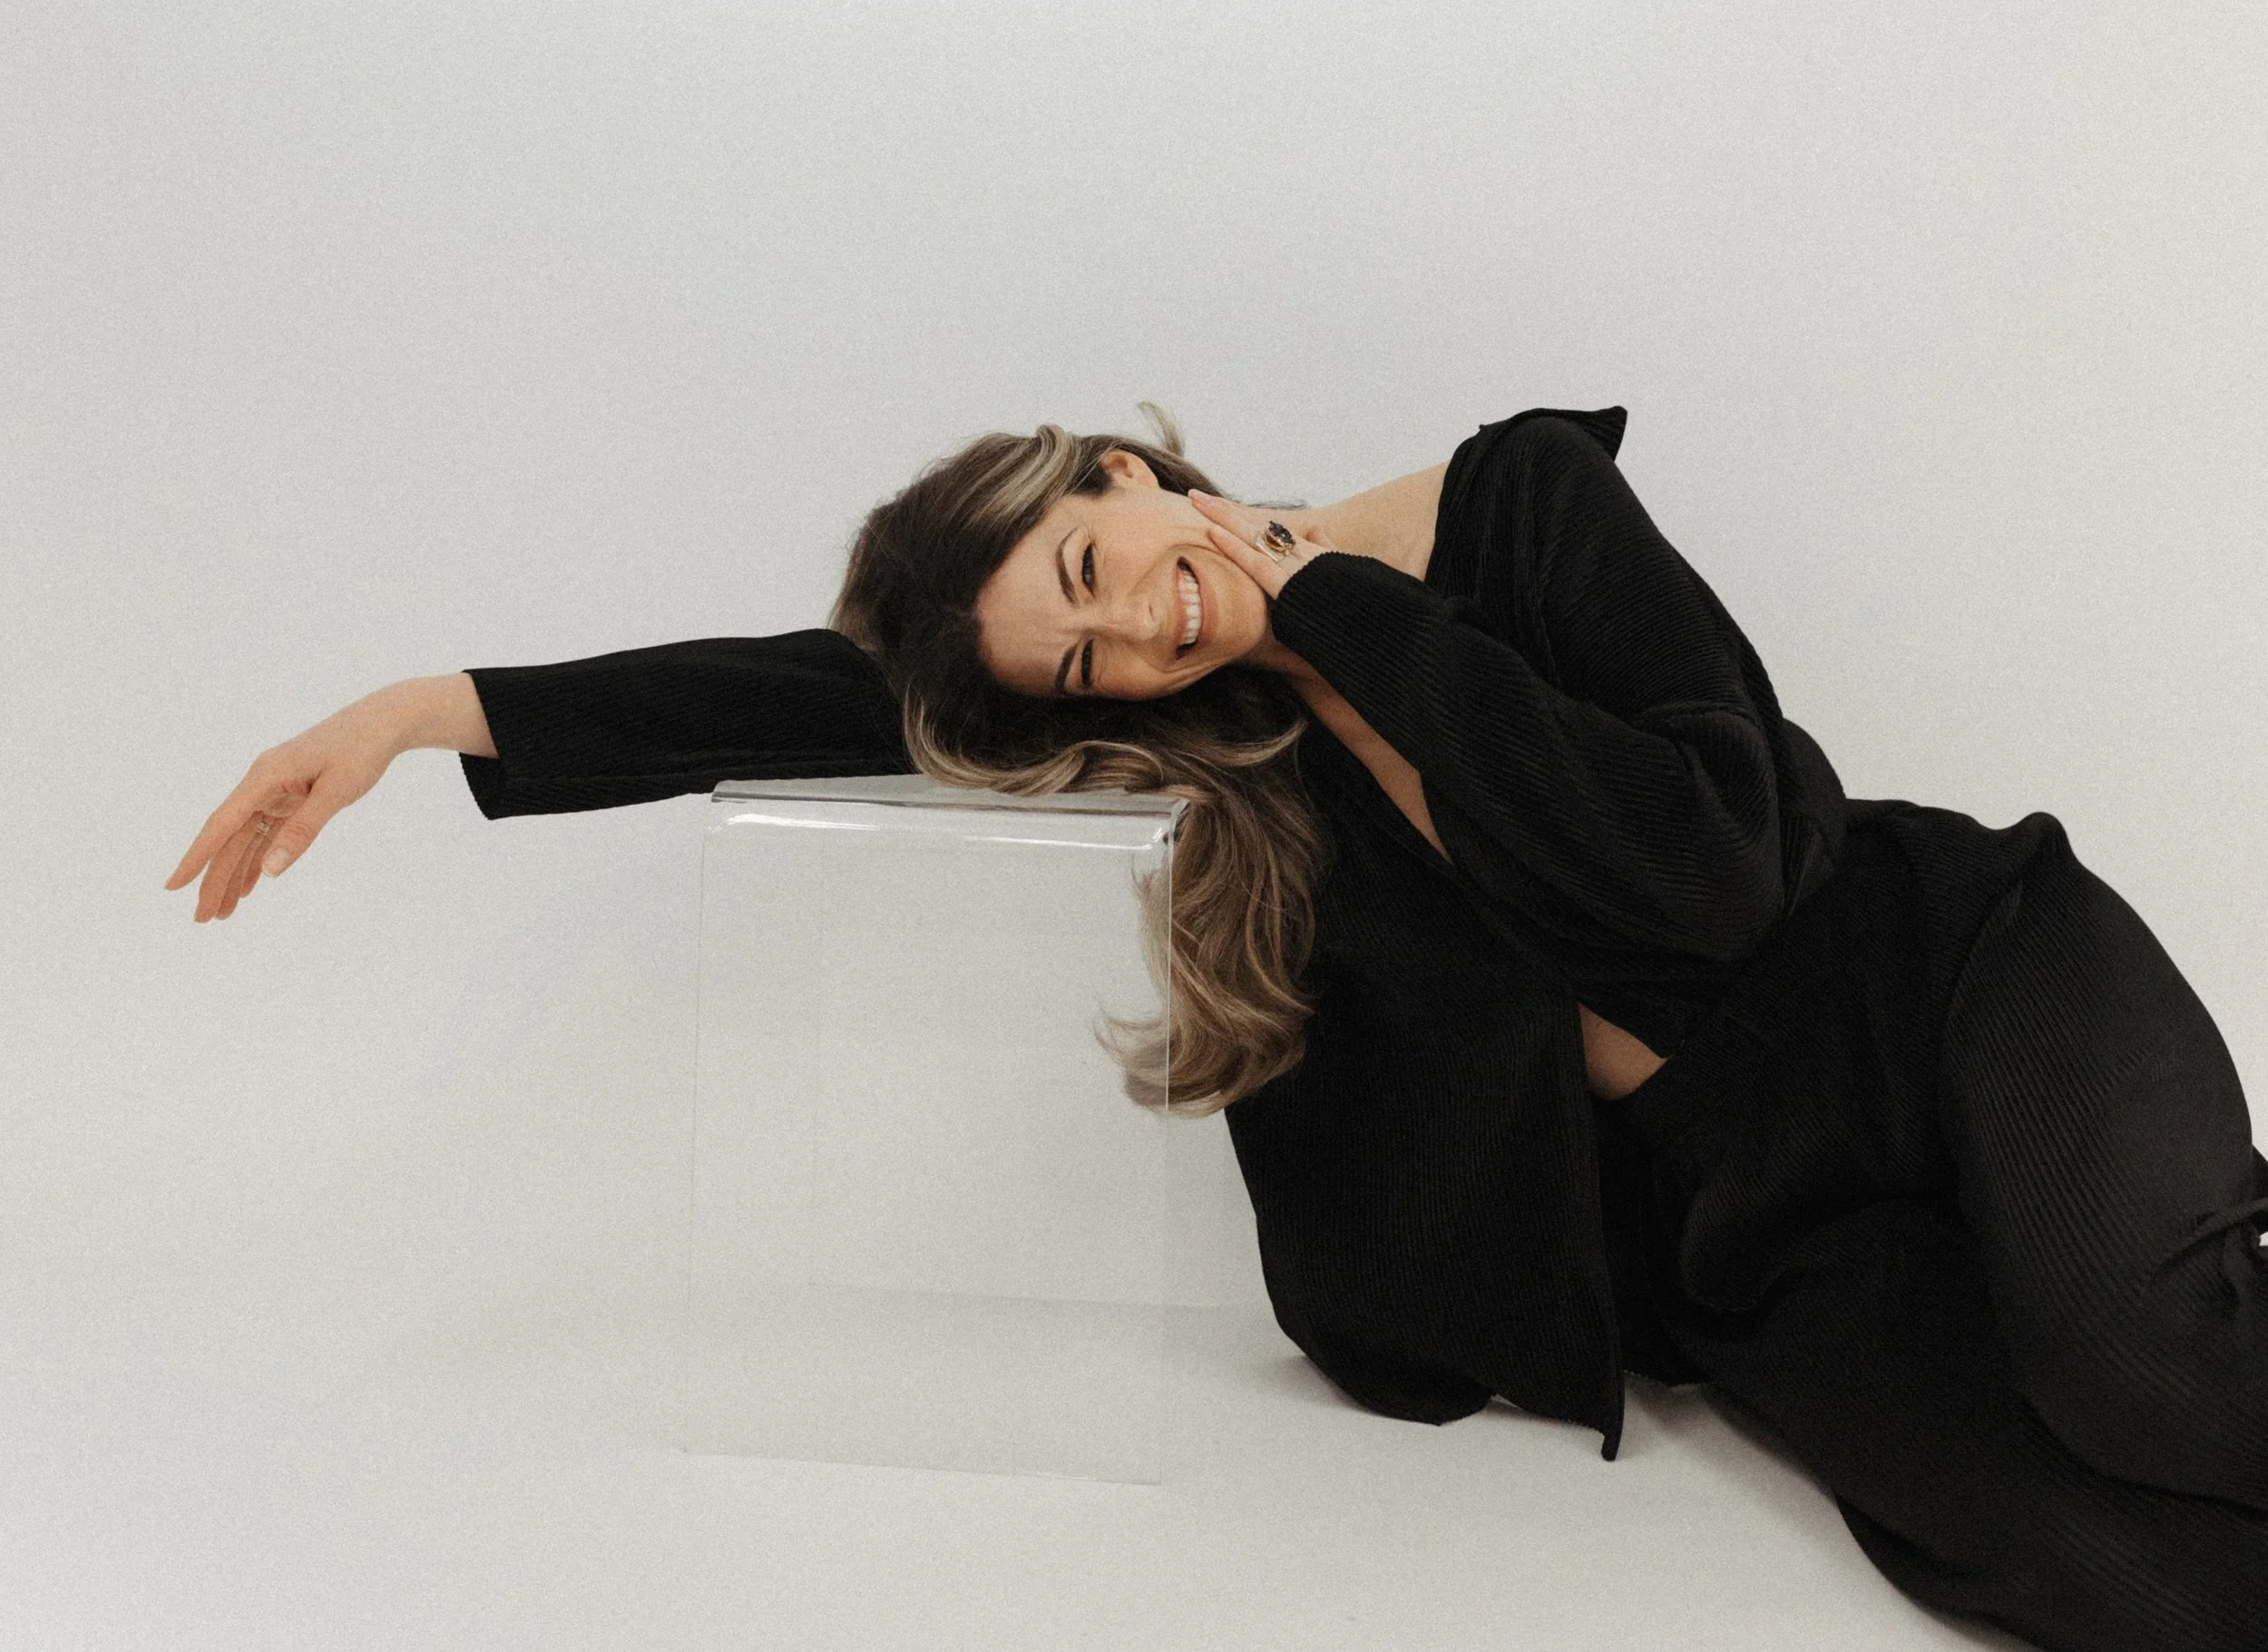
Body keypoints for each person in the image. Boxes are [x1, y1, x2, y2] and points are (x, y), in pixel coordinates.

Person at [167, 399, 2268, 1651]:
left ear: (1124, 465)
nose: (1130, 628)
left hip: (1953, 982)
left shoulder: (1521, 505)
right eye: (1079, 662)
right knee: (2054, 1553)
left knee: (2146, 1367)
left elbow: (1715, 861)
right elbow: (798, 693)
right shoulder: (1217, 734)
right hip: (1751, 1218)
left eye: (1095, 558)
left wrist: (1332, 601)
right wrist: (422, 714)